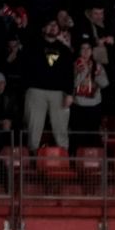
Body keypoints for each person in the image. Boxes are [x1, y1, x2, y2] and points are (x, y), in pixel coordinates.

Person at [22, 15, 74, 152]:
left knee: (61, 128)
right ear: (43, 28)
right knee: (34, 128)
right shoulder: (33, 44)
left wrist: (69, 94)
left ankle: (64, 159)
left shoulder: (65, 49)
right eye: (49, 25)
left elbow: (69, 73)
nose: (53, 27)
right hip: (36, 91)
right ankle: (32, 160)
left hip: (59, 93)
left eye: (55, 25)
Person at [69, 41, 109, 152]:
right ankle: (77, 161)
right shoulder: (74, 65)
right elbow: (73, 84)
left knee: (93, 136)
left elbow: (105, 84)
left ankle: (93, 161)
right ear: (79, 51)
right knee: (78, 136)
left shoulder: (98, 65)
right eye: (83, 48)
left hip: (94, 105)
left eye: (88, 49)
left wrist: (97, 75)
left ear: (91, 51)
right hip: (78, 105)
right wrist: (85, 70)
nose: (86, 51)